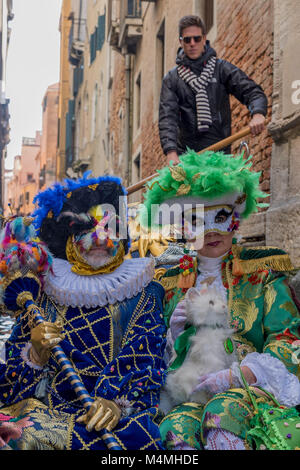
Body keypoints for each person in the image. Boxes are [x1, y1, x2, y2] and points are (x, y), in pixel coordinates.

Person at [140, 149, 300, 450]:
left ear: (235, 220)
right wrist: (174, 342)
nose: (211, 231)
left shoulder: (261, 270)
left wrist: (244, 374)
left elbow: (287, 337)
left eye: (220, 217)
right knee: (174, 429)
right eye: (199, 221)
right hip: (190, 391)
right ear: (184, 228)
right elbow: (148, 354)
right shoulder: (169, 283)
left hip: (253, 390)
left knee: (221, 413)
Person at [0, 174, 166, 450]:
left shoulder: (144, 290)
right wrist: (35, 355)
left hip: (115, 420)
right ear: (67, 238)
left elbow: (145, 356)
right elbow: (8, 383)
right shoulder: (45, 292)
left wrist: (114, 400)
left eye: (109, 227)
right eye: (86, 229)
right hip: (45, 411)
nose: (100, 238)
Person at [159, 15, 268, 164]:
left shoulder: (221, 69)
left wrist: (258, 113)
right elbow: (167, 118)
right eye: (187, 39)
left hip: (221, 155)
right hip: (187, 158)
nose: (192, 44)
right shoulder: (172, 79)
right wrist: (171, 153)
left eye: (196, 39)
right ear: (180, 41)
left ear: (204, 39)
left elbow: (252, 91)